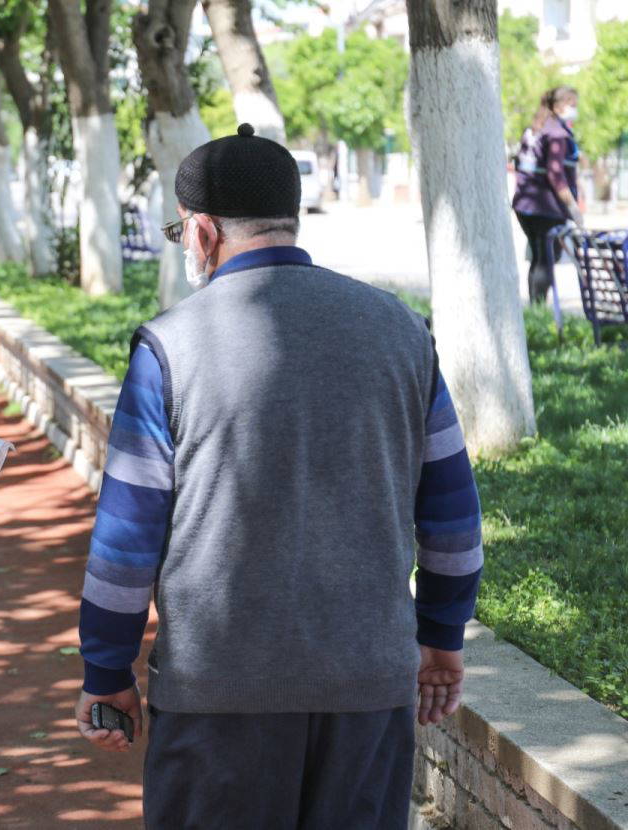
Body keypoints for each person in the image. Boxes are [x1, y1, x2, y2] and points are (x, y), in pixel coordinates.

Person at [74, 124, 483, 829]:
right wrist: (441, 637)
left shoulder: (169, 347)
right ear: (288, 220)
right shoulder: (401, 334)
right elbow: (453, 521)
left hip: (215, 698)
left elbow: (125, 542)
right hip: (368, 692)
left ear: (202, 234)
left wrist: (106, 673)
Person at [512, 85, 582, 303]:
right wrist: (572, 206)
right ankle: (539, 307)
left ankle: (535, 308)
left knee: (538, 258)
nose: (575, 110)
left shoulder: (536, 128)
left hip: (525, 206)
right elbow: (555, 173)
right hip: (546, 208)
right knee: (547, 259)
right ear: (560, 106)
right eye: (573, 105)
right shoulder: (557, 134)